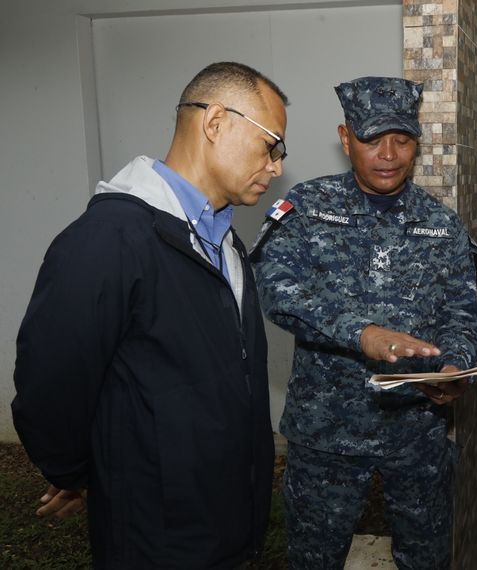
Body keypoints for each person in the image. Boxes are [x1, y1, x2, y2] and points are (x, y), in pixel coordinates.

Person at [11, 61, 288, 568]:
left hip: (223, 517)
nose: (275, 166)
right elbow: (50, 381)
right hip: (157, 531)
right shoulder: (108, 240)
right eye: (271, 145)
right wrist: (77, 472)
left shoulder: (223, 239)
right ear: (215, 122)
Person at [251, 76, 477, 569]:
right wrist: (362, 334)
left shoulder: (441, 224)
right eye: (372, 139)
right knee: (314, 559)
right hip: (327, 434)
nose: (389, 153)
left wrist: (455, 366)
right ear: (344, 137)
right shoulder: (306, 210)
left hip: (416, 432)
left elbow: (462, 313)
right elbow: (277, 293)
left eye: (402, 140)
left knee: (426, 558)